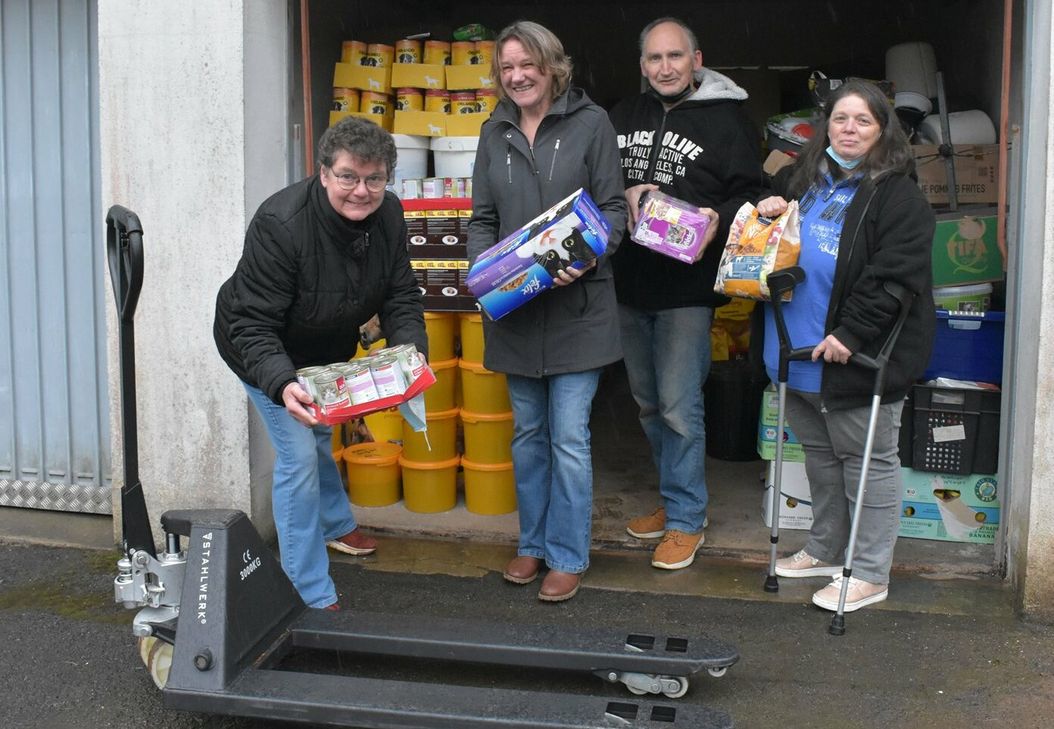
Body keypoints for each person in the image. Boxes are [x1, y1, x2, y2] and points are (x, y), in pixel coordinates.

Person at [213, 116, 428, 610]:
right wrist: (282, 383)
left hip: (326, 348)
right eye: (349, 176)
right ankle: (305, 589)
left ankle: (334, 525)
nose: (362, 190)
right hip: (260, 349)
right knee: (299, 456)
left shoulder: (390, 215)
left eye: (375, 179)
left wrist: (411, 355)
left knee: (319, 434)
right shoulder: (280, 224)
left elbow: (401, 295)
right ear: (325, 172)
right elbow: (252, 323)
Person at [757, 79, 935, 612]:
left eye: (863, 120)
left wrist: (851, 333)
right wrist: (766, 209)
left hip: (854, 356)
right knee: (820, 456)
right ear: (826, 125)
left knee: (867, 462)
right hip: (796, 351)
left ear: (883, 131)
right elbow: (768, 237)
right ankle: (826, 548)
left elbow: (894, 277)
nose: (850, 129)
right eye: (840, 119)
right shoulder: (803, 179)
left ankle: (871, 572)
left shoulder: (897, 193)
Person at [467, 20, 628, 602]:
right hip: (515, 311)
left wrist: (587, 257)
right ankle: (532, 544)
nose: (516, 76)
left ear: (552, 65)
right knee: (528, 435)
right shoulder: (494, 132)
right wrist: (479, 270)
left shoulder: (592, 124)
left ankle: (567, 554)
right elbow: (482, 216)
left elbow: (614, 210)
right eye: (506, 67)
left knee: (568, 437)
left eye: (526, 64)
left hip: (578, 307)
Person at [608, 18, 764, 570]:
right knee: (649, 405)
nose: (665, 67)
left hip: (687, 289)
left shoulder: (729, 121)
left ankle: (686, 519)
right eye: (654, 58)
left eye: (675, 56)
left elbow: (756, 195)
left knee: (678, 405)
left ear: (697, 59)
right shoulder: (622, 115)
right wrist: (621, 192)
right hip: (628, 282)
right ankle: (676, 497)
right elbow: (597, 182)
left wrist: (713, 218)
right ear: (643, 65)